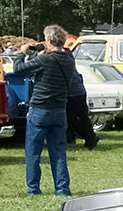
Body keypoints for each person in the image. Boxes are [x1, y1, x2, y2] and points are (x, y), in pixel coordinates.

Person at [12, 24, 75, 196]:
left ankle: (33, 189)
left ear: (47, 40)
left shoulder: (44, 60)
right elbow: (55, 56)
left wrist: (21, 53)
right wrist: (37, 51)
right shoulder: (69, 59)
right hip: (60, 109)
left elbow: (18, 70)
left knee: (33, 151)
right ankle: (62, 188)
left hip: (40, 109)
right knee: (58, 152)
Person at [64, 59, 98, 150]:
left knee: (70, 119)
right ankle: (91, 138)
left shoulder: (60, 59)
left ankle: (89, 137)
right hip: (80, 90)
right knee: (84, 117)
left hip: (72, 93)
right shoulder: (67, 56)